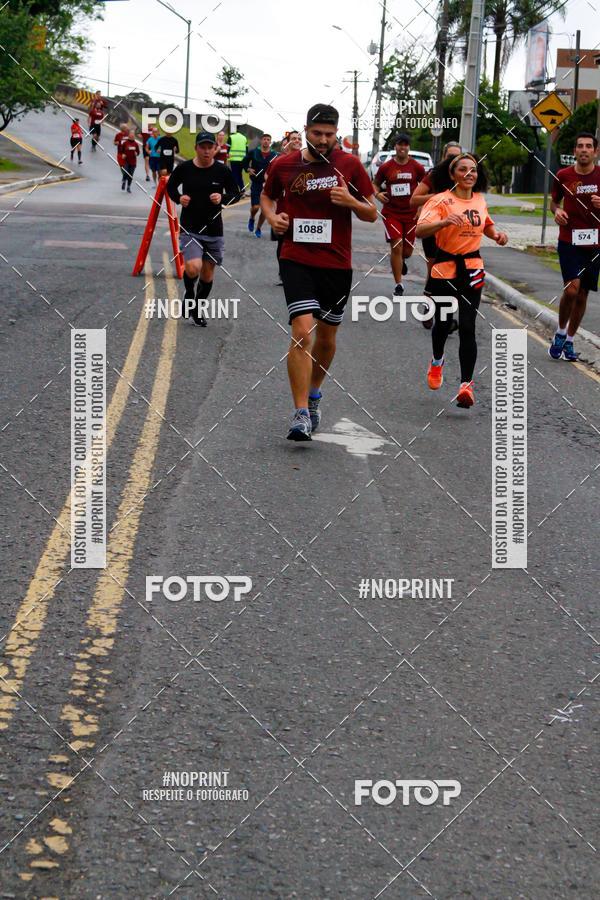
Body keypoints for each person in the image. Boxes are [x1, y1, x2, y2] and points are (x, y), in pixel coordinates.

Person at [261, 103, 377, 441]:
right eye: (317, 134)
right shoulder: (284, 164)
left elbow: (372, 213)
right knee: (302, 330)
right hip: (295, 257)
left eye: (329, 134)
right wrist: (272, 217)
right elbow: (268, 198)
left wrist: (352, 203)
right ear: (306, 131)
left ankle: (313, 395)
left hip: (337, 263)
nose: (323, 140)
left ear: (335, 133)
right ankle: (299, 413)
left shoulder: (350, 165)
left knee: (326, 339)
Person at [415, 153, 508, 409]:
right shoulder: (440, 200)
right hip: (444, 268)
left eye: (474, 170)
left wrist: (497, 235)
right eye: (463, 169)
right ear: (453, 174)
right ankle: (437, 361)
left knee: (468, 325)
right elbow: (420, 230)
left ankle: (466, 386)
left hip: (472, 267)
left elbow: (487, 225)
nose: (469, 174)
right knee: (443, 325)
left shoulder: (479, 199)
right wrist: (444, 221)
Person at [166, 131, 239, 326]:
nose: (206, 151)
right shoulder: (184, 168)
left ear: (215, 149)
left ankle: (197, 307)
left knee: (207, 274)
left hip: (214, 230)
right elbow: (171, 187)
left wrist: (222, 198)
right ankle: (189, 294)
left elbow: (236, 194)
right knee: (193, 267)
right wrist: (178, 198)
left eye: (210, 147)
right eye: (202, 147)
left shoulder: (222, 171)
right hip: (190, 227)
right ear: (196, 148)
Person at [548, 131, 600, 361]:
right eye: (580, 146)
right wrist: (557, 211)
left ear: (596, 152)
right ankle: (559, 332)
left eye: (589, 146)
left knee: (583, 294)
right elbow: (553, 203)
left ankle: (569, 340)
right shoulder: (563, 175)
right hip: (569, 240)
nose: (584, 150)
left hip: (594, 242)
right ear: (575, 151)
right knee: (571, 289)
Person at [410, 141, 462, 330]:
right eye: (450, 157)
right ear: (443, 157)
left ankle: (443, 315)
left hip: (456, 233)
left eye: (457, 157)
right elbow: (414, 200)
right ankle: (431, 307)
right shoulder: (433, 175)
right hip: (433, 228)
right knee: (436, 270)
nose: (453, 161)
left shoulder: (464, 177)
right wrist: (438, 197)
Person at [372, 133, 425, 296]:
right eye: (399, 145)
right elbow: (374, 184)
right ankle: (398, 285)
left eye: (405, 145)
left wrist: (420, 207)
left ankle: (401, 261)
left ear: (409, 147)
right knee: (397, 245)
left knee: (407, 251)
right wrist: (377, 194)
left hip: (410, 214)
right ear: (395, 147)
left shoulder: (416, 167)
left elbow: (426, 187)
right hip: (391, 213)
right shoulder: (386, 167)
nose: (402, 147)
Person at [270, 130, 302, 285]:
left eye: (299, 138)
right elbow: (269, 183)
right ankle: (284, 274)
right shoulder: (280, 161)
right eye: (293, 139)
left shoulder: (309, 160)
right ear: (287, 142)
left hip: (303, 212)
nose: (297, 141)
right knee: (282, 244)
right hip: (283, 210)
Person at [245, 133, 278, 237]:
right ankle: (252, 217)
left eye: (268, 139)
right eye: (264, 139)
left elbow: (280, 167)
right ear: (261, 141)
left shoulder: (275, 155)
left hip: (268, 185)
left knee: (264, 210)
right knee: (255, 207)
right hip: (256, 183)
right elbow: (244, 162)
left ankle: (258, 228)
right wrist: (248, 169)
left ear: (270, 142)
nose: (266, 141)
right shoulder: (254, 152)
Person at [121, 129, 140, 193]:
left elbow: (138, 152)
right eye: (131, 134)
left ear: (134, 136)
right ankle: (124, 181)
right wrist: (123, 155)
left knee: (130, 175)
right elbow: (122, 151)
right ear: (129, 135)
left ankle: (128, 186)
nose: (132, 135)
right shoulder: (125, 143)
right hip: (126, 161)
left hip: (133, 162)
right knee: (126, 172)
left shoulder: (136, 144)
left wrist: (136, 153)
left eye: (133, 134)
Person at [114, 123, 129, 189]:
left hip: (127, 154)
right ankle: (124, 177)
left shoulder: (128, 135)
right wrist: (119, 142)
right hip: (120, 153)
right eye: (126, 128)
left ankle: (124, 179)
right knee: (122, 166)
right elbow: (115, 142)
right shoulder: (118, 135)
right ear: (123, 129)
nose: (127, 129)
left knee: (127, 166)